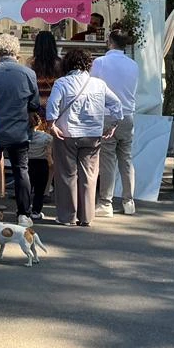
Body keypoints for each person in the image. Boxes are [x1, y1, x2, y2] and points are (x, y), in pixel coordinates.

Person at [47, 48, 120, 227]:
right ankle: (87, 216)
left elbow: (52, 105)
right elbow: (116, 105)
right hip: (93, 134)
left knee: (66, 175)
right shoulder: (99, 84)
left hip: (67, 133)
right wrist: (113, 125)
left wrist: (51, 125)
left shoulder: (62, 83)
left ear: (67, 64)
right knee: (89, 175)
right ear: (88, 64)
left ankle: (67, 217)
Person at [0, 33, 38, 225]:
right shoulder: (29, 74)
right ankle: (24, 213)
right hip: (19, 130)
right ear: (16, 51)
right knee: (22, 169)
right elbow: (34, 103)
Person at [92, 22, 139, 217]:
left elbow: (93, 88)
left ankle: (105, 202)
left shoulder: (100, 63)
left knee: (108, 159)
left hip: (107, 114)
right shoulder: (133, 64)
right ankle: (129, 201)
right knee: (126, 159)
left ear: (110, 42)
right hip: (128, 115)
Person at [27, 30, 60, 222]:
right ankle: (47, 188)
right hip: (53, 114)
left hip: (36, 113)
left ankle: (32, 187)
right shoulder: (59, 64)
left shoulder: (31, 64)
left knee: (34, 154)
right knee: (50, 155)